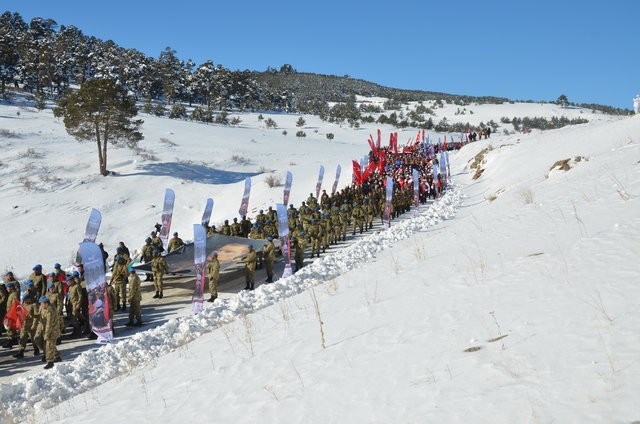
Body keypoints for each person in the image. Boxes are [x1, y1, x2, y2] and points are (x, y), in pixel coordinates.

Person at [13, 294, 38, 359]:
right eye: (25, 300)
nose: (25, 301)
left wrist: (34, 324)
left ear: (29, 299)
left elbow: (36, 316)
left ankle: (36, 349)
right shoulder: (22, 305)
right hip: (23, 325)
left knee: (33, 338)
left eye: (27, 299)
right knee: (22, 338)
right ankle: (21, 352)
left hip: (30, 325)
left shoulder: (34, 305)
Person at [39, 296, 61, 369]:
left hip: (52, 331)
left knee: (49, 346)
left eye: (41, 304)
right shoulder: (46, 308)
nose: (41, 305)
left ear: (46, 303)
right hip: (50, 329)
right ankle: (57, 356)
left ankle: (50, 362)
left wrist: (47, 334)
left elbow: (49, 324)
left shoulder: (50, 310)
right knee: (51, 345)